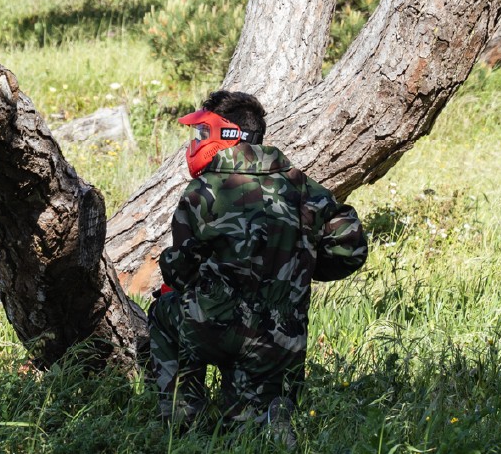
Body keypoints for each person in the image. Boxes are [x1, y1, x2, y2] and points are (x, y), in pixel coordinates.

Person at [147, 89, 368, 434]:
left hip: (214, 330)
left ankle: (183, 420)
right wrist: (299, 269)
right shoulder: (304, 187)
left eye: (203, 133)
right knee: (253, 430)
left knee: (164, 311)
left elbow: (179, 269)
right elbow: (350, 248)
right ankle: (266, 420)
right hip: (280, 337)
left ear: (229, 135)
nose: (196, 141)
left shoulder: (203, 191)